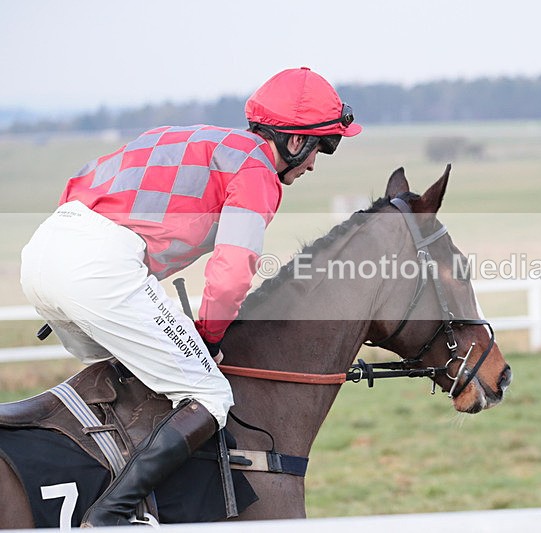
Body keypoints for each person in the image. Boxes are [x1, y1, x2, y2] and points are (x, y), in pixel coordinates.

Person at [19, 67, 361, 527]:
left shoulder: (190, 136)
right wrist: (208, 336)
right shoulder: (257, 171)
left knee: (135, 373)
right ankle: (110, 516)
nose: (316, 163)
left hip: (45, 249)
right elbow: (233, 270)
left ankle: (115, 479)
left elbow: (89, 182)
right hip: (99, 268)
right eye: (323, 146)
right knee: (209, 393)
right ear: (296, 141)